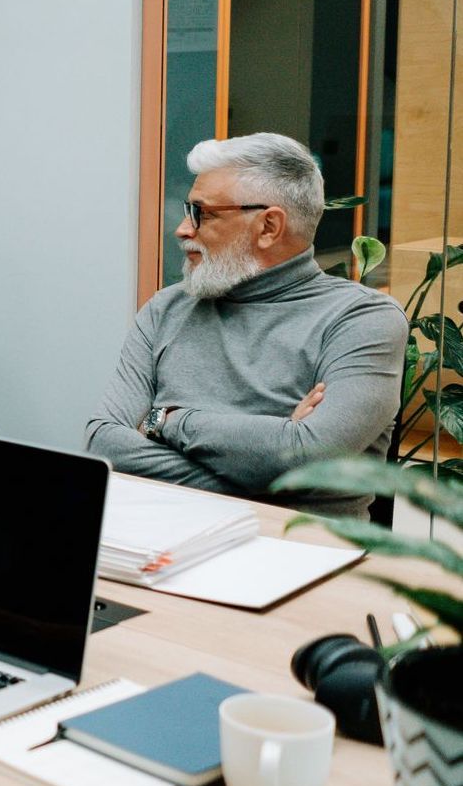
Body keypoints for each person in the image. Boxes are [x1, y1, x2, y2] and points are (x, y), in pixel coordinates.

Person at [86, 133, 407, 518]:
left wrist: (165, 420)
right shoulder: (167, 308)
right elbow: (105, 443)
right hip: (158, 540)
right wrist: (270, 467)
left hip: (301, 554)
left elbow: (313, 457)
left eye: (202, 213)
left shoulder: (362, 319)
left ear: (269, 226)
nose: (183, 230)